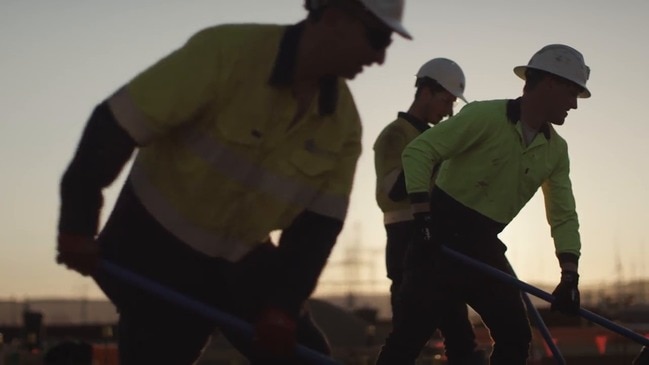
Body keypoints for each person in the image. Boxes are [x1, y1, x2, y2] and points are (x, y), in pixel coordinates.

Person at [55, 1, 412, 364]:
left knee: (304, 356)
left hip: (239, 258)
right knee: (160, 351)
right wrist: (77, 224)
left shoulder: (343, 125)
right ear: (334, 15)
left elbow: (316, 230)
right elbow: (116, 124)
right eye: (378, 38)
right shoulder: (226, 54)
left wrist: (282, 307)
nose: (380, 58)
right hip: (153, 248)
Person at [375, 44, 590, 364]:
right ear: (550, 84)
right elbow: (417, 153)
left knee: (516, 337)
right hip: (438, 241)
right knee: (407, 341)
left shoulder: (556, 151)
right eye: (572, 93)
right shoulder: (483, 116)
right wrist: (422, 217)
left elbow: (563, 213)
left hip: (483, 245)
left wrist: (569, 274)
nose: (575, 104)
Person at [373, 58, 485, 364]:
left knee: (460, 336)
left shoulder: (435, 137)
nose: (449, 111)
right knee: (405, 339)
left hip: (440, 239)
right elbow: (395, 190)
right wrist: (434, 150)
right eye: (445, 100)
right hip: (405, 237)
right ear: (425, 91)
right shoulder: (395, 134)